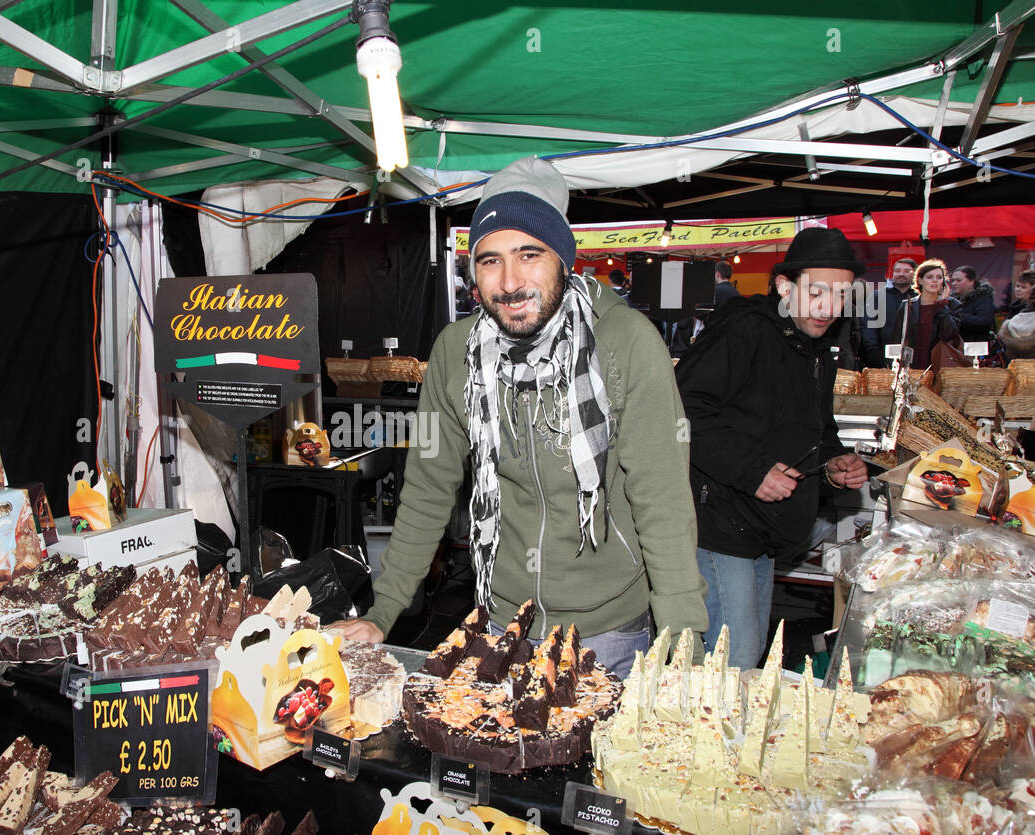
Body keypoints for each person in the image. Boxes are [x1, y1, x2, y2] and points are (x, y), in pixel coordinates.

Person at [334, 157, 708, 677]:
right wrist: (383, 611)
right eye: (489, 261)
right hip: (500, 623)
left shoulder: (625, 343)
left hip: (609, 633)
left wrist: (683, 640)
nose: (509, 282)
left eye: (528, 254)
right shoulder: (455, 352)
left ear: (563, 258)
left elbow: (662, 500)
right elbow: (427, 489)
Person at [675, 227, 869, 669]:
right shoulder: (744, 329)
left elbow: (815, 428)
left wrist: (833, 459)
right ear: (785, 286)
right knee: (733, 660)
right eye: (817, 291)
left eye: (841, 295)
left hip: (765, 529)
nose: (829, 307)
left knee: (746, 657)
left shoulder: (814, 346)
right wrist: (753, 470)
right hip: (721, 524)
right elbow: (682, 410)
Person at [895, 259, 963, 370]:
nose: (935, 281)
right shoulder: (908, 305)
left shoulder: (952, 305)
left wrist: (941, 305)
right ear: (920, 280)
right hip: (912, 364)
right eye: (930, 277)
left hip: (941, 363)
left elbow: (948, 335)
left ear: (944, 282)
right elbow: (897, 339)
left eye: (939, 277)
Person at [861, 257, 916, 367]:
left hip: (914, 357)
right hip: (881, 357)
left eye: (907, 271)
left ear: (915, 274)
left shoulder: (919, 297)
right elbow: (868, 325)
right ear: (892, 273)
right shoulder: (877, 296)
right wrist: (872, 350)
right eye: (898, 270)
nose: (901, 274)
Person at [949, 265, 997, 342]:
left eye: (958, 280)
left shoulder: (983, 298)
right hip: (958, 345)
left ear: (971, 281)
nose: (954, 283)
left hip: (977, 345)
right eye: (953, 280)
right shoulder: (952, 301)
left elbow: (984, 322)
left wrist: (957, 316)